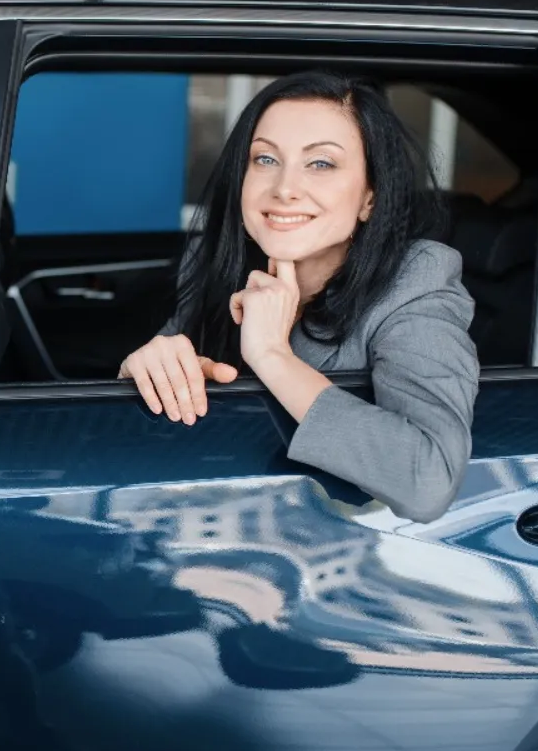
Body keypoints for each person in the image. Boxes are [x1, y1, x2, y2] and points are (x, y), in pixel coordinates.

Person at [118, 71, 478, 523]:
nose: (284, 188)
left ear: (370, 197)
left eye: (321, 164)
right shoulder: (219, 261)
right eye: (266, 159)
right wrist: (144, 370)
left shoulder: (415, 281)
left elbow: (428, 480)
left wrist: (272, 355)